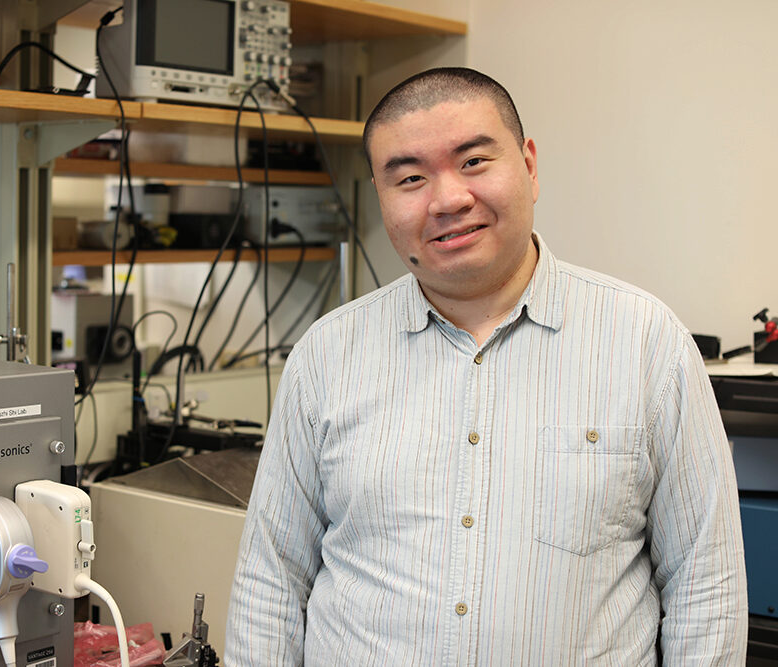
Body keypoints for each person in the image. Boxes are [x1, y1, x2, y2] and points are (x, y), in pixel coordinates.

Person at [225, 67, 747, 665]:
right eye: (411, 177)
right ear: (382, 197)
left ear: (528, 164)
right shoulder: (324, 356)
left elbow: (708, 586)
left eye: (473, 161)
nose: (448, 200)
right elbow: (271, 579)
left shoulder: (647, 343)